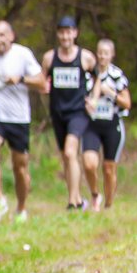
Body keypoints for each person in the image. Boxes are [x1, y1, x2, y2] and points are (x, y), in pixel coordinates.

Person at [0, 20, 45, 223]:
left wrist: (21, 79)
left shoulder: (23, 54)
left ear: (11, 36)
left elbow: (42, 82)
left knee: (20, 168)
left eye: (2, 35)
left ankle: (21, 208)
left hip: (18, 118)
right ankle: (0, 200)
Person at [41, 16, 99, 210]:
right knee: (66, 157)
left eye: (69, 32)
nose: (66, 36)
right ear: (58, 34)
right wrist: (43, 87)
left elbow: (99, 78)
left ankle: (73, 202)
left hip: (78, 112)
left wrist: (94, 99)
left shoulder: (86, 57)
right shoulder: (50, 58)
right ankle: (76, 197)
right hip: (58, 112)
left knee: (70, 151)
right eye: (62, 32)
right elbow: (43, 80)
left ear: (75, 33)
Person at [81, 38, 131, 210]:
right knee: (89, 163)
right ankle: (95, 194)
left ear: (112, 55)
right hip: (91, 125)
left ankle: (109, 205)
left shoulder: (117, 76)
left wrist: (111, 93)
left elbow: (127, 103)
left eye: (106, 53)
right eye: (100, 53)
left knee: (109, 168)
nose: (102, 57)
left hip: (112, 125)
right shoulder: (88, 76)